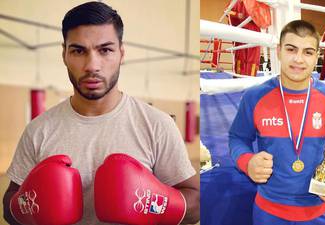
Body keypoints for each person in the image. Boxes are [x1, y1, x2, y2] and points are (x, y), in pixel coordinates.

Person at [2, 2, 199, 225]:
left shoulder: (157, 125)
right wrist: (32, 204)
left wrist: (153, 201)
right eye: (78, 51)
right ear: (64, 54)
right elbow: (9, 207)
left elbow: (196, 204)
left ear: (121, 54)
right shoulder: (38, 130)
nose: (92, 65)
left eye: (105, 50)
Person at [229, 20, 325, 225]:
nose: (298, 59)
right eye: (291, 49)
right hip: (268, 211)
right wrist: (247, 162)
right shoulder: (255, 96)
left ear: (317, 56)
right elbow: (237, 138)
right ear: (279, 51)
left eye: (308, 52)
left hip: (319, 211)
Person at [229, 0, 261, 76]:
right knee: (240, 55)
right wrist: (237, 14)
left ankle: (251, 77)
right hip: (241, 30)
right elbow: (227, 11)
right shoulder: (237, 1)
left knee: (253, 56)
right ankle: (239, 76)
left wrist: (256, 17)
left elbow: (263, 16)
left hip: (254, 30)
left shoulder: (257, 2)